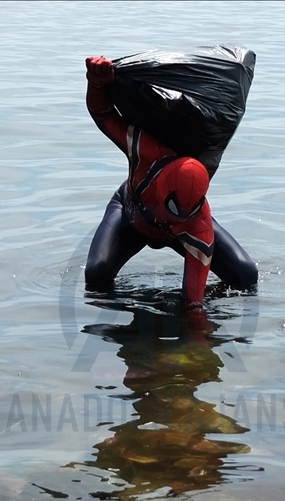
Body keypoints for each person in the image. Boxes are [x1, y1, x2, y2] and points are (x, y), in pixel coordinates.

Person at [83, 56, 258, 311]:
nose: (171, 220)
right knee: (96, 277)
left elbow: (192, 301)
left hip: (182, 235)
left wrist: (194, 337)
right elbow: (103, 114)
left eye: (184, 215)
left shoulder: (196, 223)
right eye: (171, 211)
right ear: (159, 186)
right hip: (130, 214)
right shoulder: (144, 149)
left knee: (245, 276)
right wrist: (96, 84)